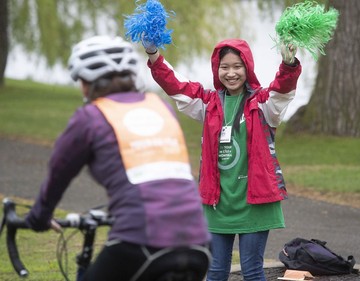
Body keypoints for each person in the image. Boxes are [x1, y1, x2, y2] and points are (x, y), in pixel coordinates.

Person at [24, 35, 211, 281]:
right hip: (199, 243)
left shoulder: (90, 117)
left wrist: (39, 216)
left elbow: (59, 171)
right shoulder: (159, 107)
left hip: (140, 243)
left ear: (85, 83)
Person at [143, 38, 302, 281]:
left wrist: (288, 65)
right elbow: (176, 86)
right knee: (215, 272)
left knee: (252, 271)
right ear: (216, 69)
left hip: (255, 203)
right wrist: (153, 54)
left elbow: (282, 91)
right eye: (224, 67)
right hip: (217, 203)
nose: (231, 73)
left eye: (237, 66)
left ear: (247, 67)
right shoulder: (207, 103)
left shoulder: (263, 104)